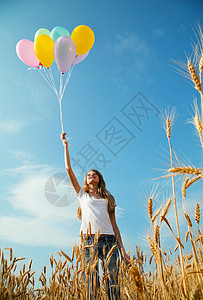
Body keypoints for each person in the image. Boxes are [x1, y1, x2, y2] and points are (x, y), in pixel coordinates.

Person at [61, 132, 131, 299]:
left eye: (95, 174)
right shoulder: (82, 195)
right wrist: (65, 146)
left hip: (110, 241)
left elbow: (114, 226)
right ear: (85, 180)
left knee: (113, 283)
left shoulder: (108, 198)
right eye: (88, 174)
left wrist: (124, 252)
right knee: (91, 283)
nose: (91, 175)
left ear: (100, 178)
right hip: (89, 241)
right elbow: (68, 169)